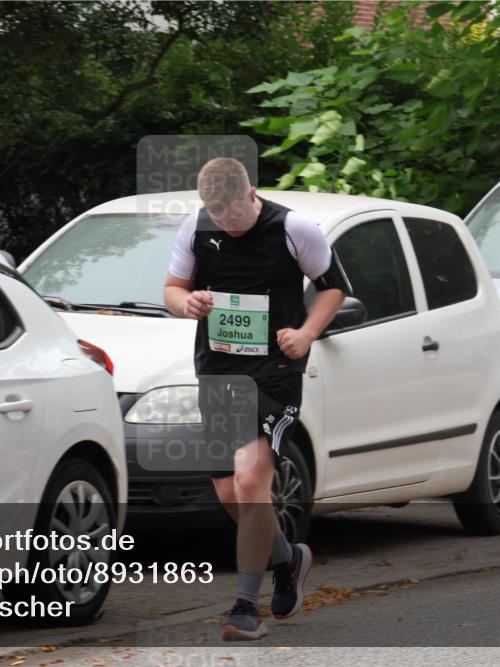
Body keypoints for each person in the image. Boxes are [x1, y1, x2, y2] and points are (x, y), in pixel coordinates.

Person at [163, 158, 346, 641]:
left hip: (275, 374)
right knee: (230, 494)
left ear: (252, 193)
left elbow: (333, 289)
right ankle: (287, 560)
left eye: (234, 215)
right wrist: (188, 304)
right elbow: (172, 289)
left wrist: (306, 334)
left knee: (250, 481)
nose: (228, 224)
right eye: (217, 217)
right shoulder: (197, 229)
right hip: (219, 373)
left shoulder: (294, 229)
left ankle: (245, 606)